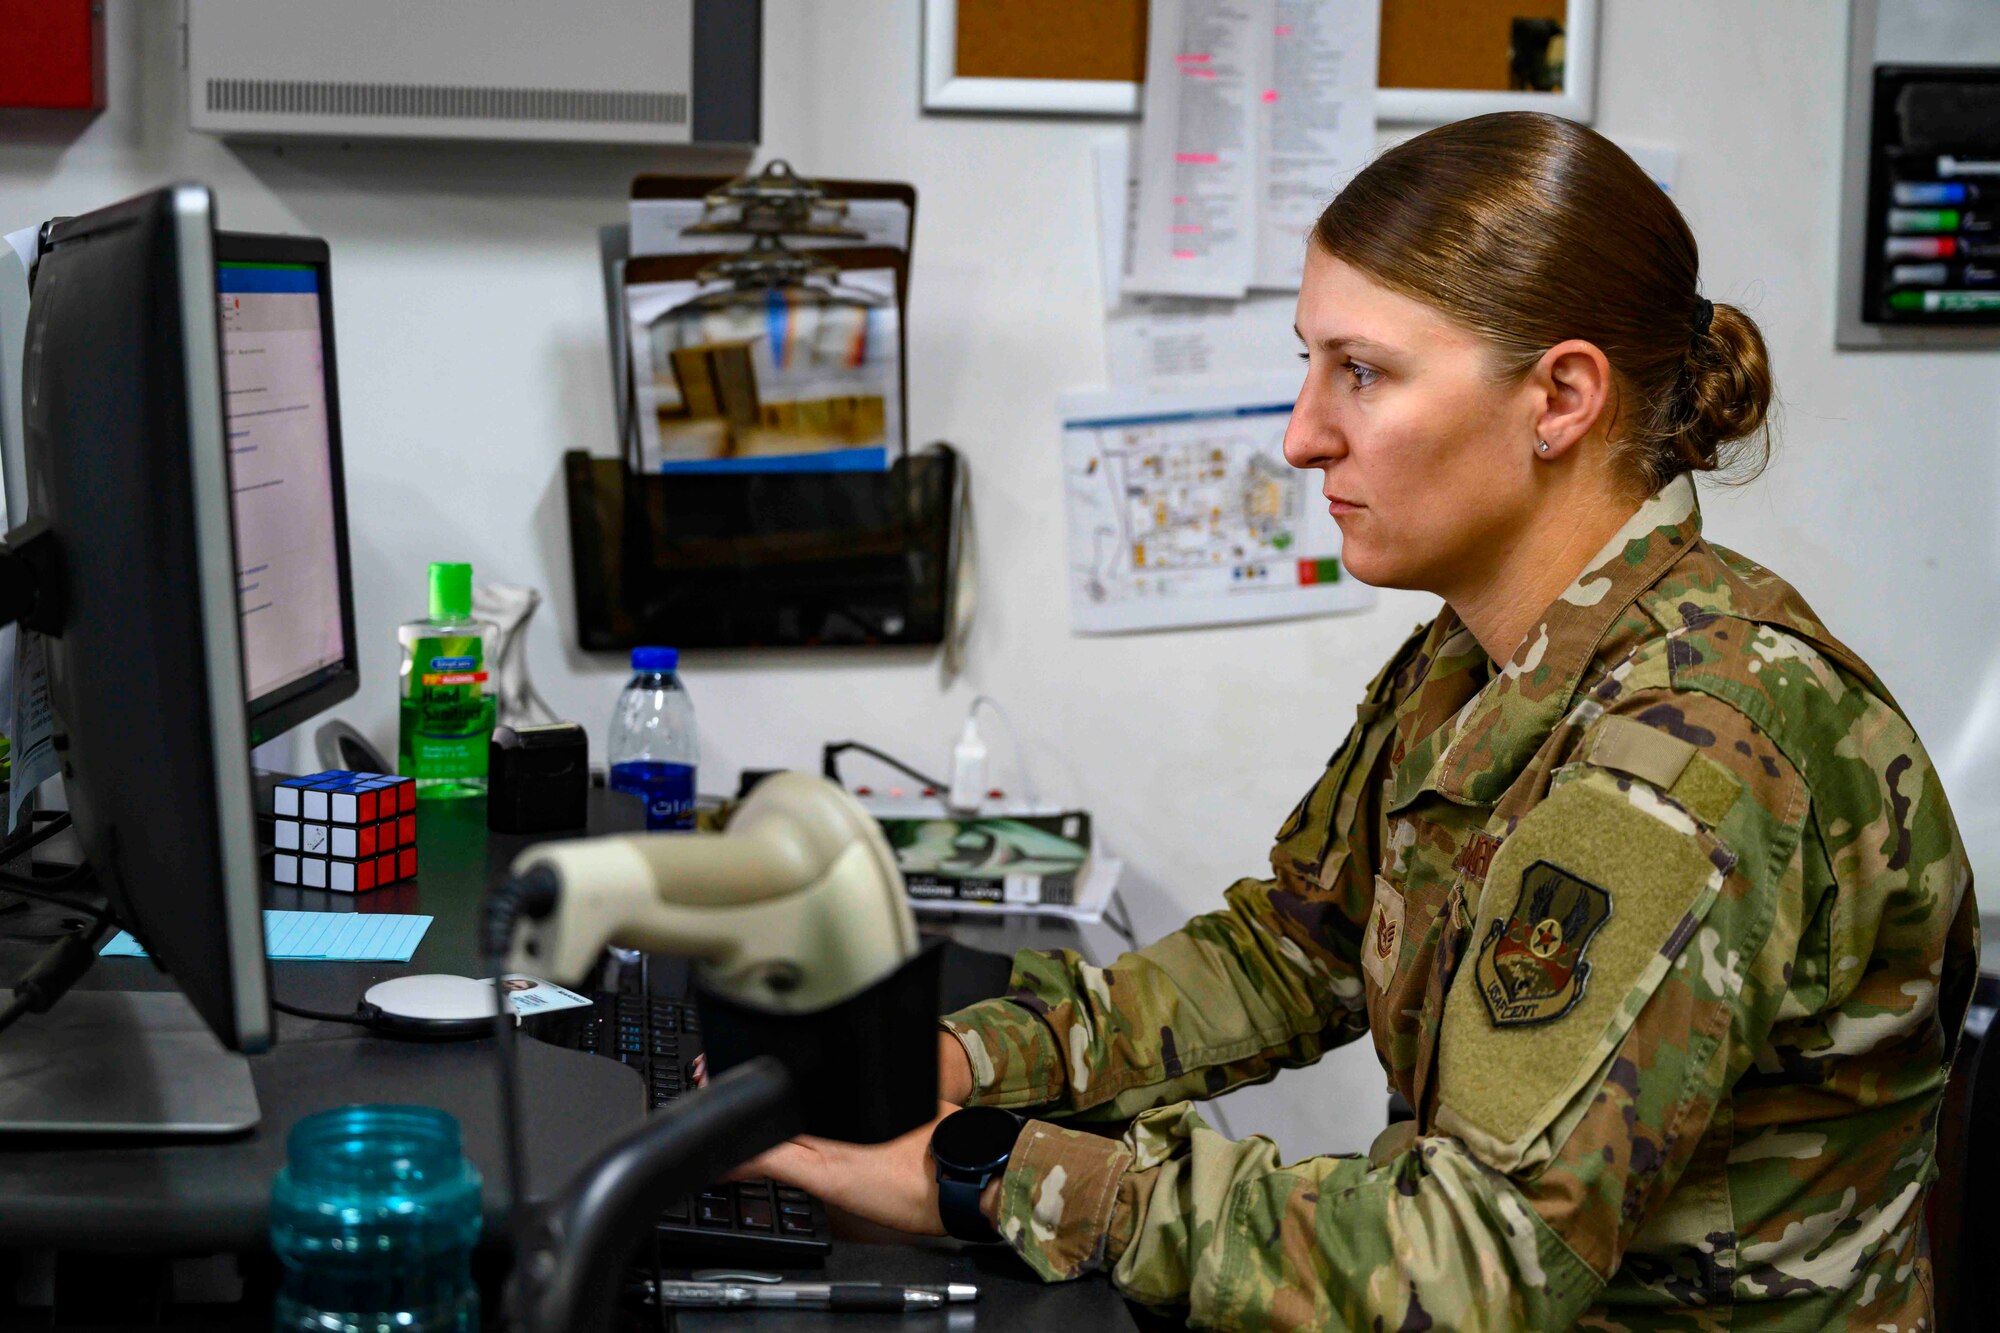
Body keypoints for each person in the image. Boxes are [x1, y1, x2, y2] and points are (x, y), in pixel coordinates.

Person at [737, 112, 1979, 1330]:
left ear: (1558, 397)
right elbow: (1296, 946)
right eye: (1308, 360)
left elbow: (1476, 1254)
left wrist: (994, 1179)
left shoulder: (1690, 748)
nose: (1299, 433)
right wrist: (964, 1064)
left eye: (1364, 372)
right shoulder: (1469, 662)